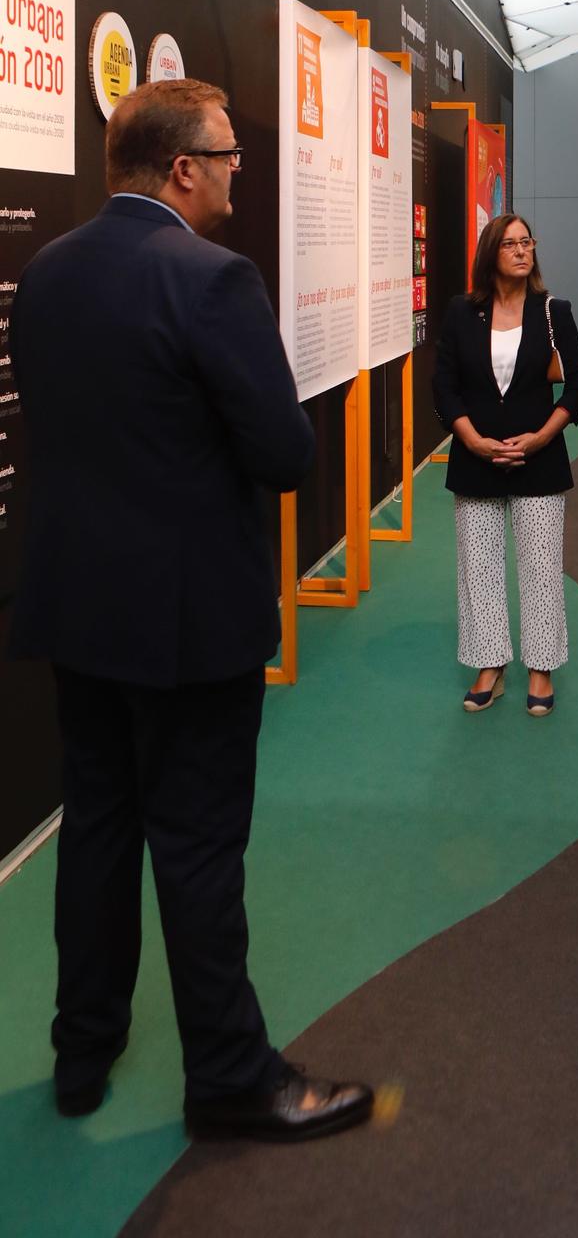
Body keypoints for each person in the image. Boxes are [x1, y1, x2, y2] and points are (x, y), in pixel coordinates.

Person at [9, 79, 371, 1138]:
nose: (235, 172)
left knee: (99, 828)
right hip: (188, 623)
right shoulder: (214, 280)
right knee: (200, 845)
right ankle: (228, 1074)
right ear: (182, 169)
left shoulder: (46, 273)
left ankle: (83, 1047)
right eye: (226, 156)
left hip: (78, 609)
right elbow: (285, 452)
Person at [433, 214, 578, 715]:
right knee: (478, 569)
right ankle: (490, 665)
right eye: (510, 244)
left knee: (541, 568)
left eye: (527, 242)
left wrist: (543, 435)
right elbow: (444, 385)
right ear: (490, 253)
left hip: (538, 460)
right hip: (475, 456)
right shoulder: (462, 312)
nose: (522, 251)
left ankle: (540, 670)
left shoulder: (552, 311)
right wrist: (473, 440)